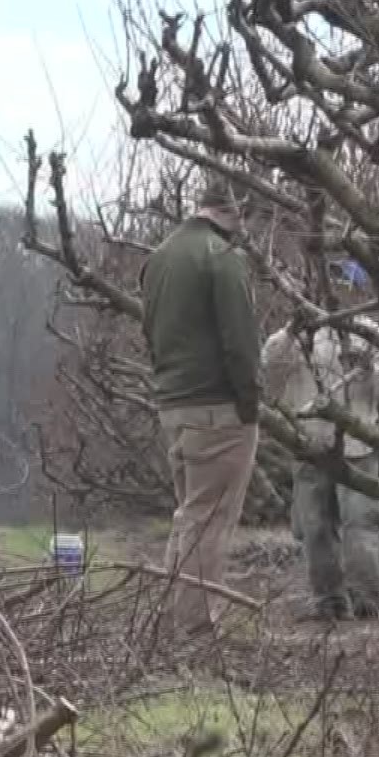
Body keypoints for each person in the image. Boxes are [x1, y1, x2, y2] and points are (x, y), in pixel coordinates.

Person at [141, 177, 264, 638]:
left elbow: (149, 331)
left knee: (190, 515)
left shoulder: (160, 256)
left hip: (173, 404)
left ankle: (168, 619)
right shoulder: (222, 257)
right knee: (210, 520)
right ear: (237, 212)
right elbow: (240, 343)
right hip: (217, 406)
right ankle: (194, 627)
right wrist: (250, 404)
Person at [262, 260, 379, 621]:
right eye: (332, 281)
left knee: (361, 524)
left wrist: (368, 367)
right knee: (314, 528)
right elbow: (270, 372)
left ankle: (366, 602)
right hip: (309, 445)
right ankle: (329, 602)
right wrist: (291, 331)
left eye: (344, 283)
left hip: (358, 447)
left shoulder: (371, 333)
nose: (336, 291)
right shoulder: (298, 335)